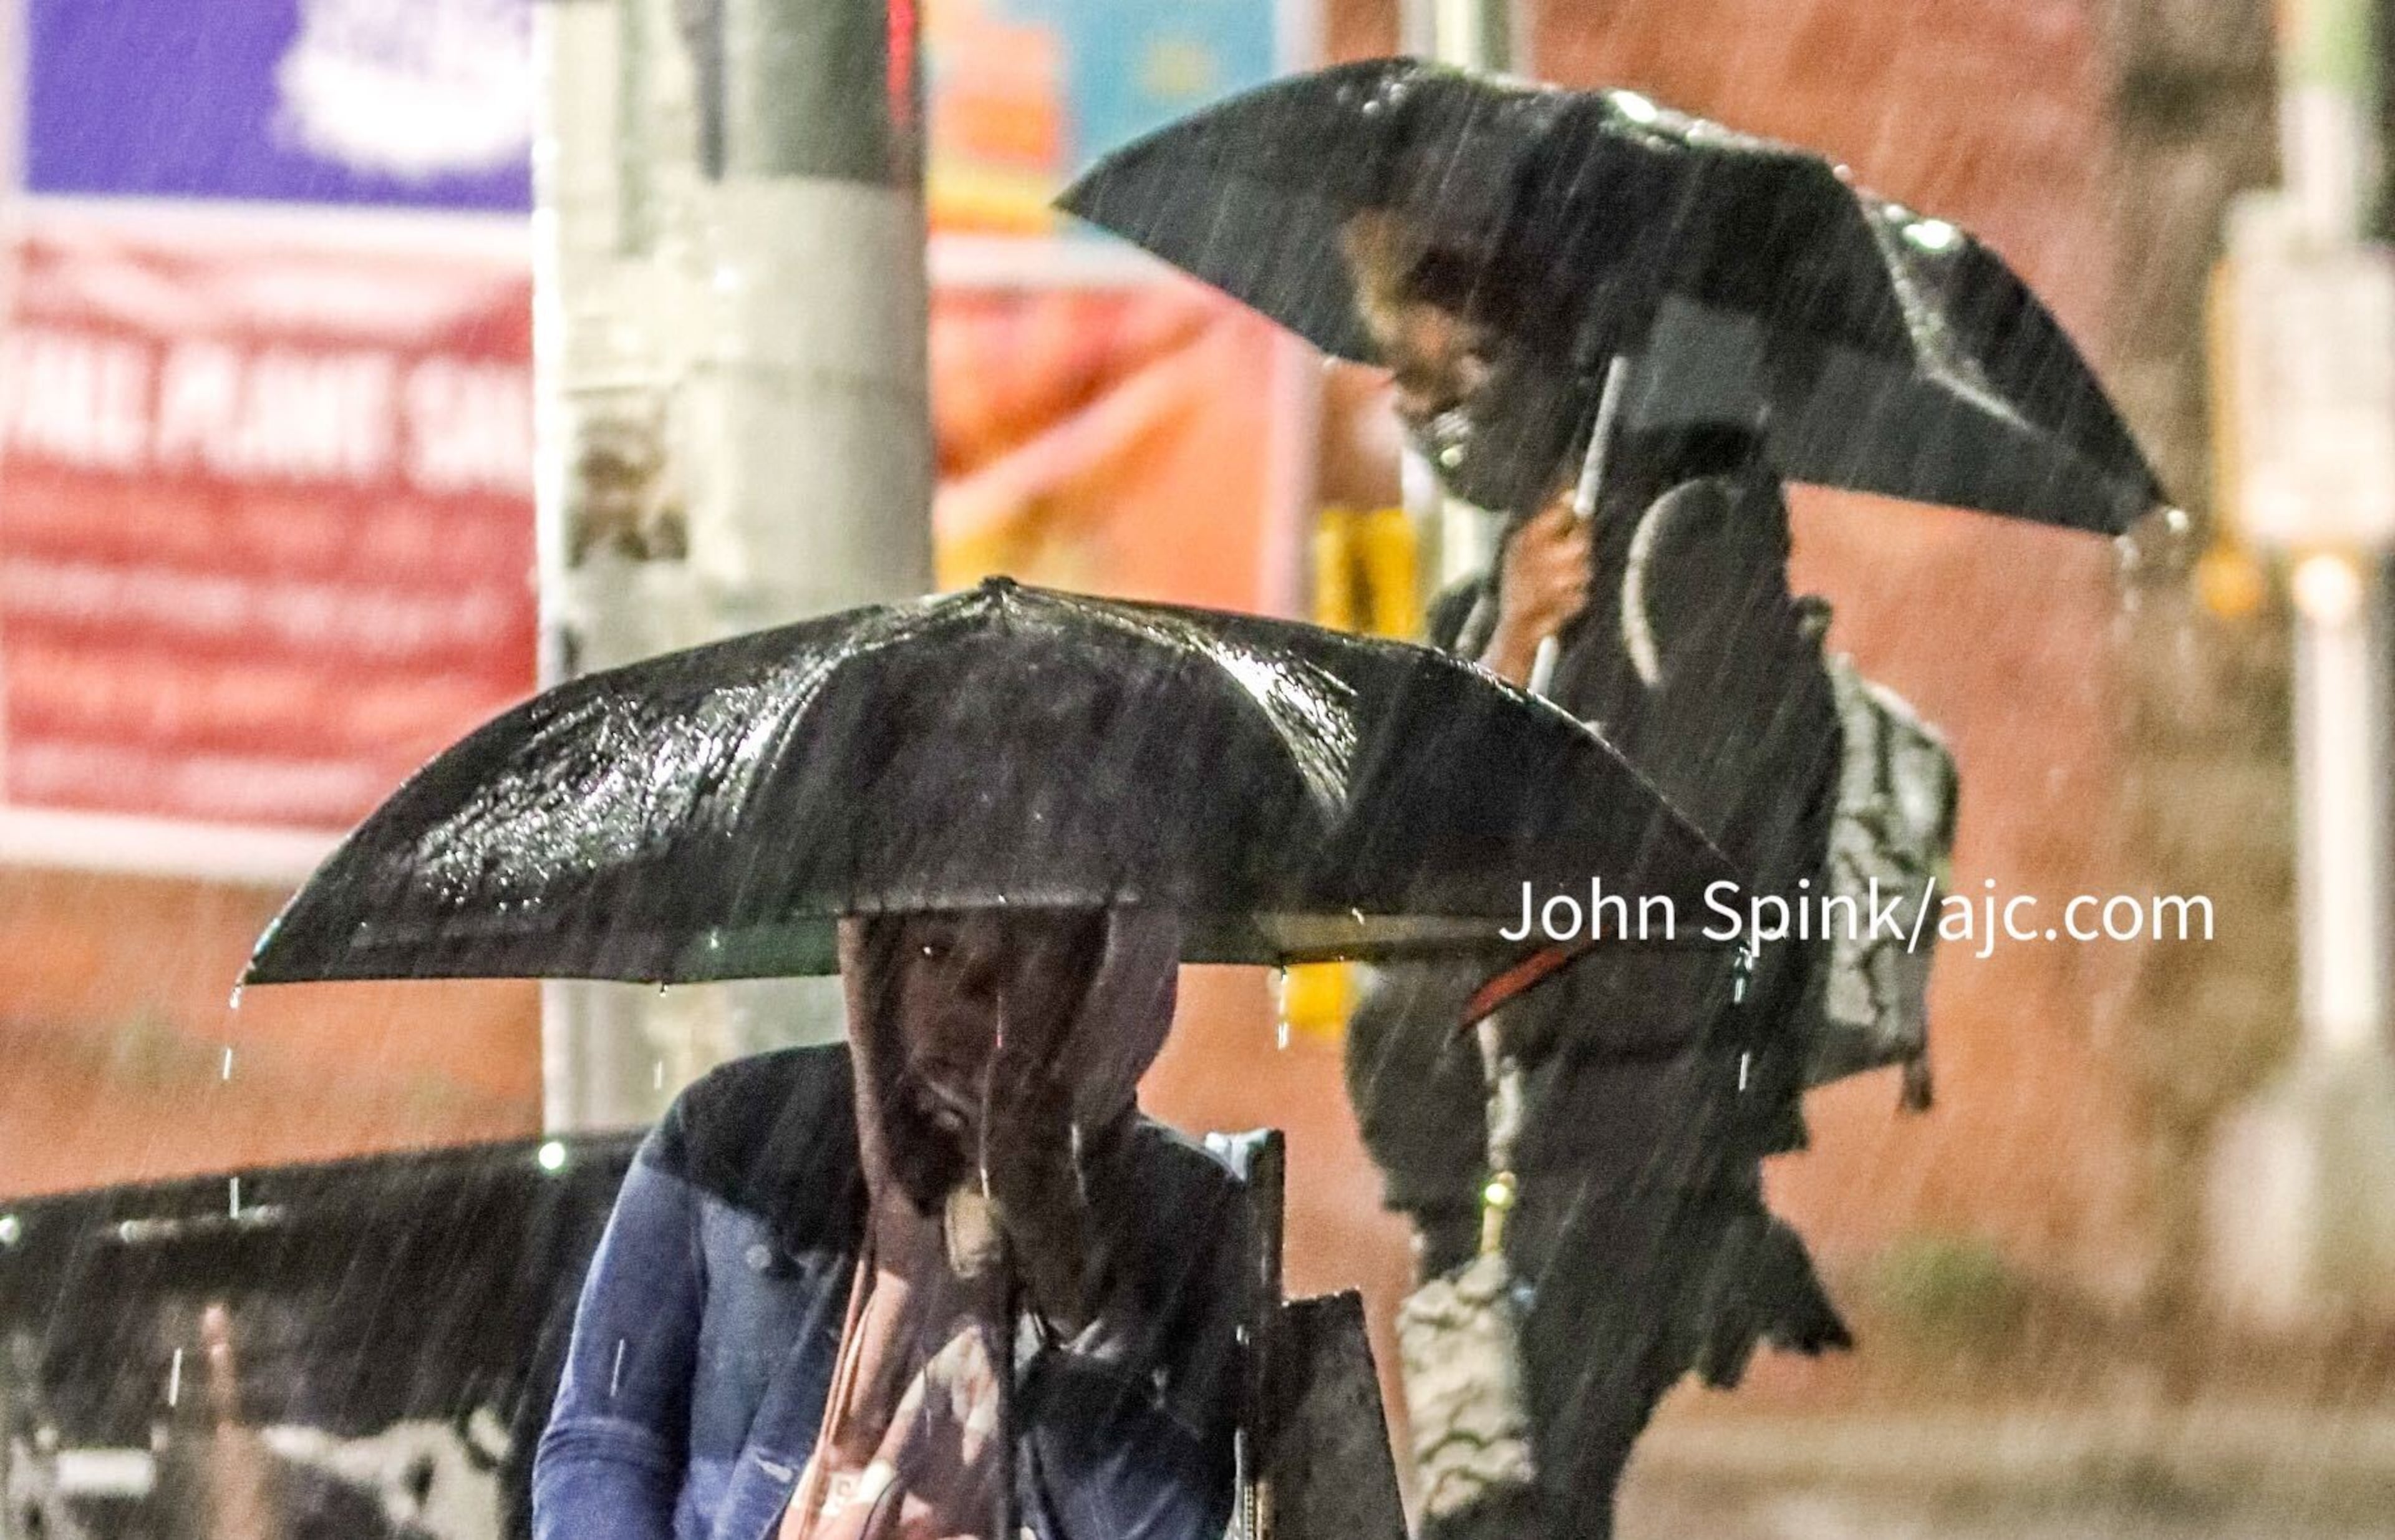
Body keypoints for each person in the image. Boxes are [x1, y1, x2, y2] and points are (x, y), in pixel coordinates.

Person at [1337, 200, 1851, 1540]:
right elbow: (1403, 860)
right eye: (1405, 378)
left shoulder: (1689, 557)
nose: (1432, 414)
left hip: (1616, 1147)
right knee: (1491, 1510)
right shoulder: (1486, 600)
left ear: (1555, 354)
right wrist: (1510, 645)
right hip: (1473, 1170)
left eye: (1464, 368)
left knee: (1525, 1509)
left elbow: (1701, 868)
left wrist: (1527, 941)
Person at [532, 906, 1249, 1540]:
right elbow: (603, 1441)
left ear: (1104, 983)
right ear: (880, 970)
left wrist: (1066, 1264)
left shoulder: (1185, 1209)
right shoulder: (735, 1138)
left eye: (1027, 952)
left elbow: (1161, 1526)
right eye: (935, 949)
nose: (972, 994)